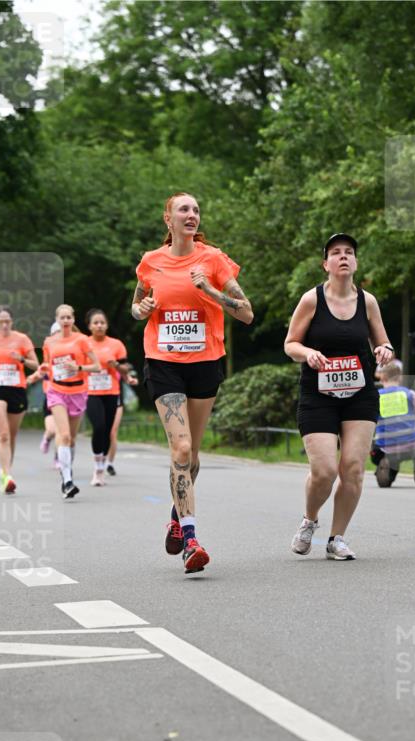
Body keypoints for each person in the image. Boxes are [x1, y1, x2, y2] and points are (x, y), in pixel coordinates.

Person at [131, 191, 253, 573]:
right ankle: (191, 540)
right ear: (167, 218)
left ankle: (175, 515)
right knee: (180, 449)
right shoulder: (151, 262)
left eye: (196, 209)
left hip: (205, 363)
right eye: (183, 209)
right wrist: (142, 309)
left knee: (193, 455)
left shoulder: (214, 260)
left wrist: (211, 291)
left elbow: (247, 313)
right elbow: (137, 306)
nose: (192, 215)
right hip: (164, 362)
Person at [284, 233, 394, 560]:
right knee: (325, 470)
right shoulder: (311, 300)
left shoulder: (368, 302)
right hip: (318, 394)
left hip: (359, 394)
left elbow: (384, 342)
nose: (343, 257)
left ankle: (337, 538)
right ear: (326, 264)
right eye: (336, 253)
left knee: (354, 468)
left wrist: (385, 350)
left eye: (349, 252)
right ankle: (310, 519)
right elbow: (290, 344)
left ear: (356, 262)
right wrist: (308, 354)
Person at [30, 304, 100, 498]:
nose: (66, 321)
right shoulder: (49, 342)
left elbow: (96, 366)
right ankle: (67, 480)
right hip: (56, 391)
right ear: (57, 320)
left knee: (72, 439)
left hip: (78, 391)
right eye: (62, 318)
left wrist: (77, 367)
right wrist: (39, 373)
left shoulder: (82, 340)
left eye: (69, 317)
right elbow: (47, 365)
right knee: (65, 435)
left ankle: (67, 472)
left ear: (73, 319)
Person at [0, 306, 39, 494]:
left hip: (16, 389)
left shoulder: (22, 339)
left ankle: (6, 471)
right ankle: (7, 476)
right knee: (3, 434)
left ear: (12, 321)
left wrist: (21, 358)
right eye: (1, 321)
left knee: (11, 436)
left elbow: (35, 364)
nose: (4, 325)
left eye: (7, 321)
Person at [85, 308, 138, 486]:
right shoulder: (83, 344)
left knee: (107, 431)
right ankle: (97, 467)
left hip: (111, 393)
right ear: (89, 326)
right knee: (98, 427)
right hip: (91, 392)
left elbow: (125, 368)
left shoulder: (116, 345)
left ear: (106, 325)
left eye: (102, 322)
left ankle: (102, 465)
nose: (99, 325)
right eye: (95, 323)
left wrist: (117, 366)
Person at [371, 359, 415, 487]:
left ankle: (387, 471)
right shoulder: (410, 394)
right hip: (410, 444)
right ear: (400, 378)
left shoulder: (376, 397)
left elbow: (370, 419)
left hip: (385, 447)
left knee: (384, 455)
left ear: (382, 378)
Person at [39, 321, 59, 460]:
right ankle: (46, 437)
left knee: (62, 432)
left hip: (67, 394)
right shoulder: (48, 352)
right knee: (52, 430)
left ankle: (58, 458)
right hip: (51, 396)